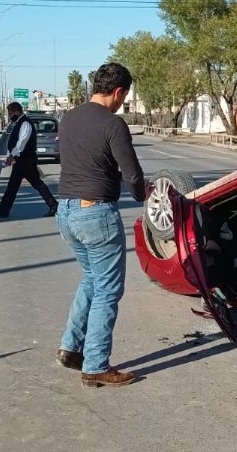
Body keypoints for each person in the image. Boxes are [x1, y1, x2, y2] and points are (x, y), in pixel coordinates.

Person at [55, 62, 145, 388]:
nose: (122, 103)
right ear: (118, 91)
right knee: (108, 290)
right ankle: (95, 365)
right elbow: (132, 174)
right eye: (124, 96)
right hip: (96, 214)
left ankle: (70, 347)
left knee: (91, 279)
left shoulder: (69, 117)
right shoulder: (113, 124)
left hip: (65, 210)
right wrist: (141, 194)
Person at [0, 102, 58, 218]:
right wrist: (12, 155)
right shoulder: (18, 123)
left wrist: (11, 156)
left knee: (37, 184)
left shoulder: (25, 123)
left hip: (26, 161)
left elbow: (21, 143)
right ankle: (3, 211)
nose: (10, 115)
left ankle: (54, 205)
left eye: (11, 113)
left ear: (17, 111)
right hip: (21, 161)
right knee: (13, 186)